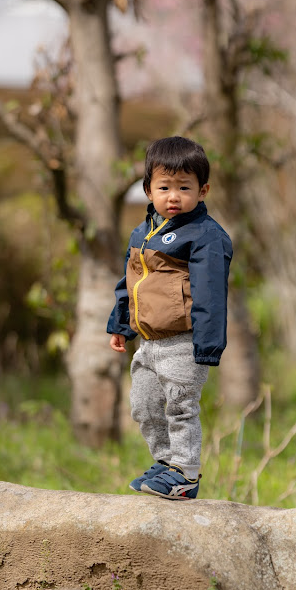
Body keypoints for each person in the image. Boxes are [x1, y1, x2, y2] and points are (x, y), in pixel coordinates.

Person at [107, 135, 233, 500]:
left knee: (180, 406)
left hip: (183, 341)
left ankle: (186, 473)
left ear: (203, 190)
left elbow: (211, 295)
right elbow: (128, 282)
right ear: (148, 189)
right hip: (148, 341)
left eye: (184, 187)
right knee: (143, 406)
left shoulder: (205, 236)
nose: (173, 196)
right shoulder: (143, 233)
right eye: (164, 187)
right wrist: (119, 325)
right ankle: (166, 465)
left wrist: (207, 347)